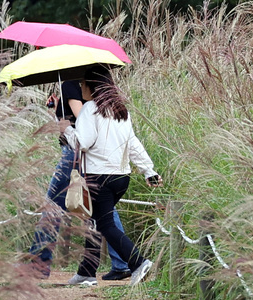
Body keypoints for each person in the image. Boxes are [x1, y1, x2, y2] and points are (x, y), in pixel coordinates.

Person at [25, 80, 133, 279]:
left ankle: (38, 264)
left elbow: (82, 116)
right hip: (91, 154)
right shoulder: (87, 83)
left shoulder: (70, 84)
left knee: (53, 206)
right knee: (103, 209)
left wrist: (63, 121)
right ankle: (122, 261)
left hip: (74, 153)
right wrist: (58, 109)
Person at [65, 68, 161, 287]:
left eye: (82, 83)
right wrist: (149, 170)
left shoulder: (90, 108)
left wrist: (67, 129)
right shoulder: (120, 110)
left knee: (106, 224)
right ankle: (86, 271)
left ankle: (138, 262)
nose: (80, 88)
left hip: (99, 177)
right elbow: (133, 143)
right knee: (96, 221)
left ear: (92, 85)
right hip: (120, 178)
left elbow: (83, 143)